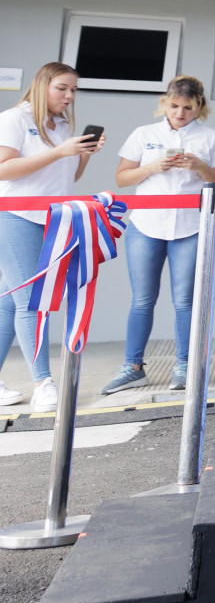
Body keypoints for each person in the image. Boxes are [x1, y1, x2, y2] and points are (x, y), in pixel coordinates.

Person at [101, 76, 215, 394]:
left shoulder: (211, 137)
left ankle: (185, 366)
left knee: (185, 300)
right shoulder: (143, 134)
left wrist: (200, 166)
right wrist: (152, 167)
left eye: (188, 107)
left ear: (199, 106)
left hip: (191, 226)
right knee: (142, 299)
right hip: (146, 226)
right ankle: (132, 368)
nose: (180, 113)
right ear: (164, 103)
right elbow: (122, 178)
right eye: (174, 106)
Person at [0, 63, 103, 411]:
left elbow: (66, 177)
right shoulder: (14, 119)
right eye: (62, 88)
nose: (69, 96)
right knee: (32, 301)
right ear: (42, 85)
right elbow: (3, 169)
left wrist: (82, 153)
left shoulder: (61, 127)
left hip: (51, 220)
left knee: (9, 302)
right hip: (16, 216)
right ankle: (42, 382)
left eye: (74, 90)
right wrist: (59, 151)